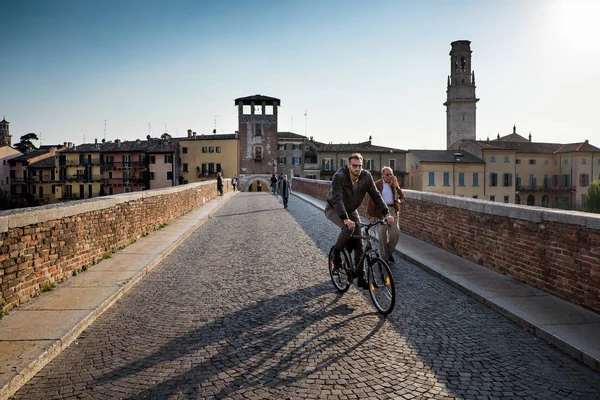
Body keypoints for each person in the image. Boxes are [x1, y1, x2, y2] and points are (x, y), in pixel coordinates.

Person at [325, 153, 394, 289]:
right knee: (348, 228)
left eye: (359, 166)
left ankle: (361, 278)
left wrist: (386, 213)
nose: (357, 168)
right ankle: (336, 253)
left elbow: (376, 195)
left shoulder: (366, 176)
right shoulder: (339, 177)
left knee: (360, 245)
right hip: (334, 208)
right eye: (354, 166)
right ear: (349, 165)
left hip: (351, 210)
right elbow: (337, 199)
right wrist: (345, 219)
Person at [367, 166, 404, 263]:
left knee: (395, 234)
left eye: (391, 174)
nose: (389, 176)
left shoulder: (393, 184)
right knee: (382, 235)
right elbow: (372, 200)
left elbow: (401, 196)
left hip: (393, 210)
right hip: (382, 211)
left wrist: (397, 187)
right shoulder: (377, 184)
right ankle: (384, 258)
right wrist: (372, 215)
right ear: (382, 175)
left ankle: (388, 253)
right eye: (387, 174)